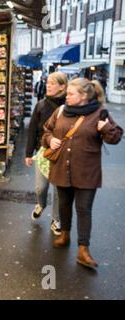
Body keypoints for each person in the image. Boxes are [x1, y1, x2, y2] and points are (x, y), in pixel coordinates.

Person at [42, 78, 123, 269]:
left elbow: (116, 137)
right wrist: (50, 139)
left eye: (71, 94)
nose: (66, 97)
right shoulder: (60, 111)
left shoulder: (100, 114)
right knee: (64, 204)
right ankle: (65, 234)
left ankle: (83, 250)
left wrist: (106, 129)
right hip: (62, 168)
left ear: (84, 95)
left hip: (87, 171)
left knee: (84, 209)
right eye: (67, 93)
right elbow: (46, 130)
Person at [26, 72, 67, 236]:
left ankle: (56, 219)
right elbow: (32, 130)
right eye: (47, 82)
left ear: (62, 86)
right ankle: (41, 204)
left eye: (52, 83)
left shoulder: (68, 107)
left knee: (58, 190)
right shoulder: (41, 105)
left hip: (62, 155)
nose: (48, 85)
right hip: (42, 152)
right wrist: (28, 153)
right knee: (40, 187)